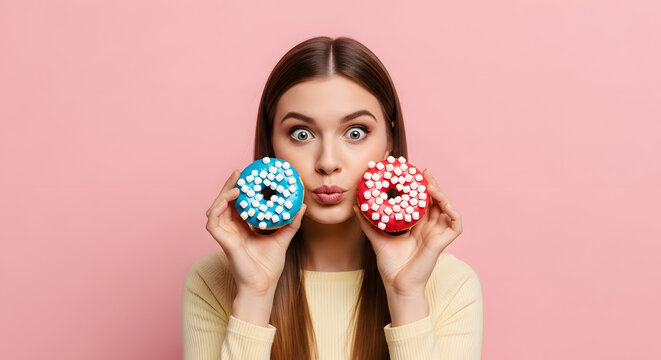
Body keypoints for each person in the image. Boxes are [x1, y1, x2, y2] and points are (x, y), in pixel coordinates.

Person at [182, 36, 483, 360]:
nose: (327, 161)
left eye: (355, 132)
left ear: (389, 142)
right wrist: (255, 294)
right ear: (272, 146)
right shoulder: (214, 281)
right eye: (301, 133)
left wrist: (405, 295)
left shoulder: (450, 284)